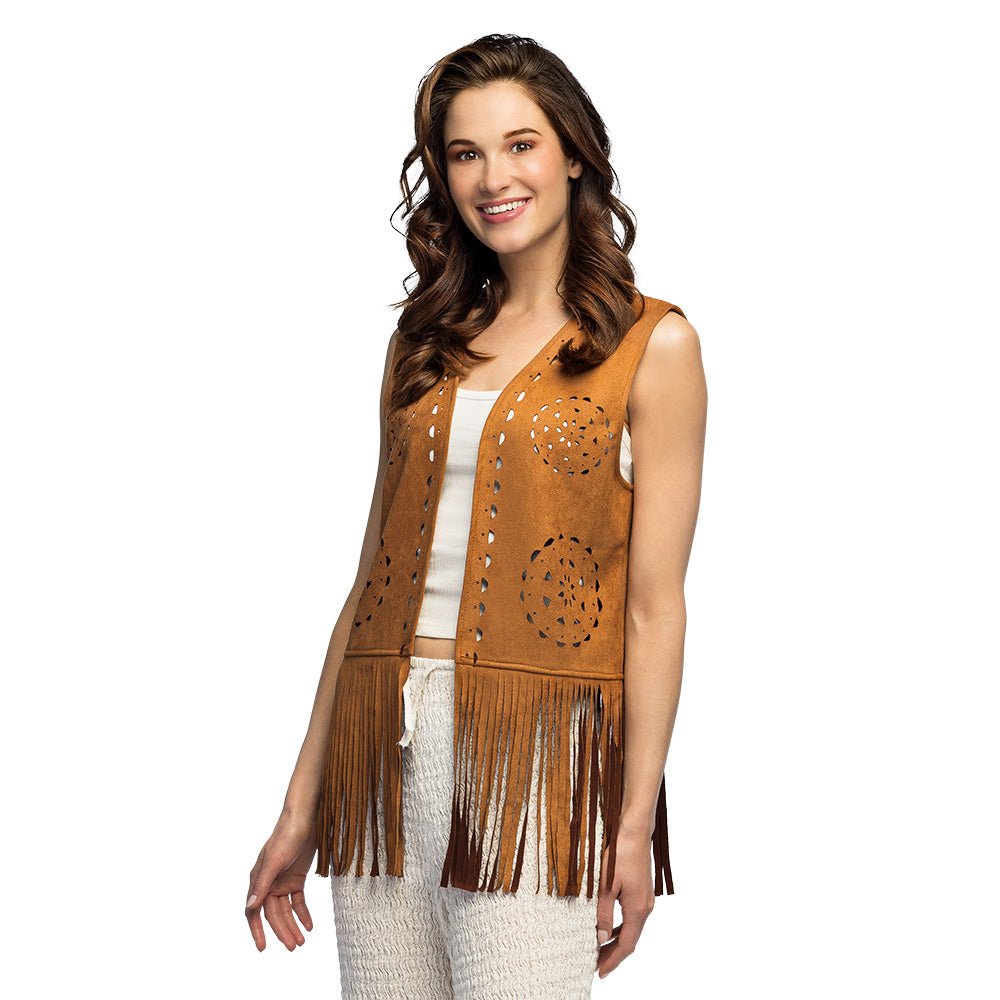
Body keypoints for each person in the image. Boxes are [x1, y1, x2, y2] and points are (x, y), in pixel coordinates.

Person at [245, 33, 706, 999]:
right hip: (380, 753)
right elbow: (369, 583)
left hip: (532, 758)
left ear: (573, 154)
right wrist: (302, 804)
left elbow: (654, 606)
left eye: (520, 144)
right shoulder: (424, 341)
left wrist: (632, 826)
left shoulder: (651, 344)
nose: (494, 178)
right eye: (465, 154)